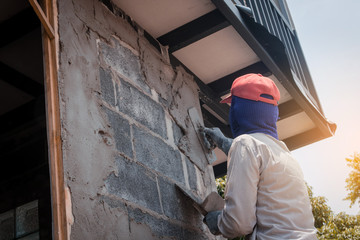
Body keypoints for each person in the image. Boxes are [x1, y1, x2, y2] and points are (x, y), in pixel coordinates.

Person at [202, 73, 317, 239]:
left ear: (239, 110)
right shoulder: (285, 153)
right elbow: (257, 161)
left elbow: (238, 224)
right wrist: (224, 142)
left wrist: (218, 221)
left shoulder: (245, 144)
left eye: (232, 106)